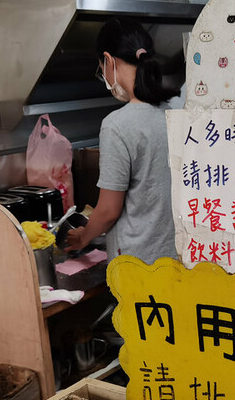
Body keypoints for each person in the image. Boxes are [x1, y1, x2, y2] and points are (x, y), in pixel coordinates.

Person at [65, 17, 178, 264]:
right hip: (177, 255)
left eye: (101, 67)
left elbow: (107, 211)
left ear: (108, 60)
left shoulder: (117, 125)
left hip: (138, 263)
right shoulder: (175, 112)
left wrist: (84, 237)